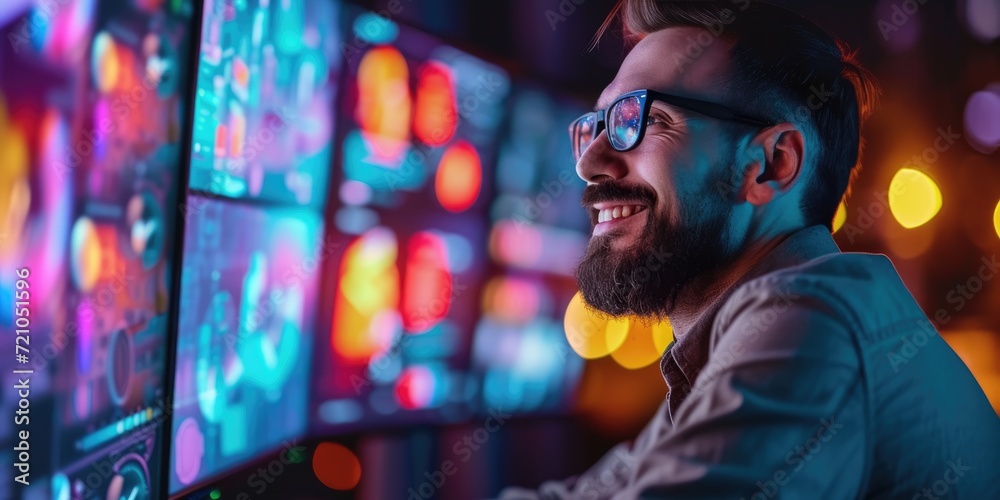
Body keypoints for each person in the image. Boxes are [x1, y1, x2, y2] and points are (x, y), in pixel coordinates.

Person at [499, 1, 1000, 499]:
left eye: (641, 118)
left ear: (772, 164)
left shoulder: (812, 320)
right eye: (601, 122)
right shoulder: (761, 333)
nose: (590, 161)